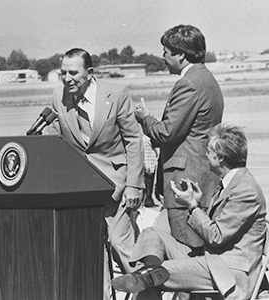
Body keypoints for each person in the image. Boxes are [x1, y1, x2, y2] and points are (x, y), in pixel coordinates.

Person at [112, 124, 267, 300]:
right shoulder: (230, 183)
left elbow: (216, 237)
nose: (205, 155)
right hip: (210, 260)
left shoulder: (245, 190)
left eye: (208, 151)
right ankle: (149, 273)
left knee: (159, 275)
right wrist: (198, 204)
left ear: (220, 157)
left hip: (227, 270)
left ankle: (147, 275)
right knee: (151, 234)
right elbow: (219, 228)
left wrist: (193, 207)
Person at [48, 48, 145, 276]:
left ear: (89, 72)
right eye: (63, 73)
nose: (67, 79)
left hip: (116, 185)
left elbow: (133, 139)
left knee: (122, 245)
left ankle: (147, 290)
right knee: (82, 251)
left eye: (73, 73)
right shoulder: (57, 97)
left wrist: (134, 185)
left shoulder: (116, 93)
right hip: (79, 188)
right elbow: (51, 141)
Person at [134, 24, 224, 249]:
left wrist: (145, 119)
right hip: (200, 176)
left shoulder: (189, 84)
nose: (163, 57)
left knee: (184, 248)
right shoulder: (206, 79)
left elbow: (167, 133)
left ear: (181, 54)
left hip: (186, 180)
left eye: (166, 51)